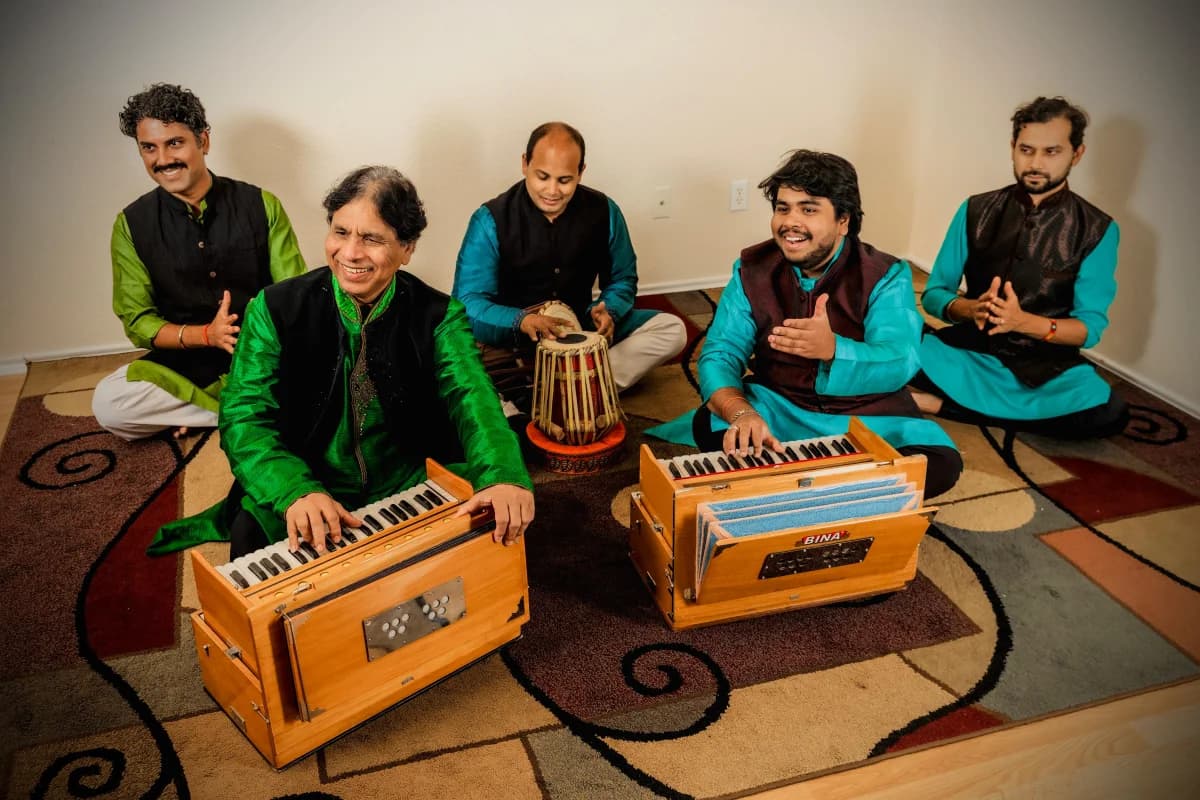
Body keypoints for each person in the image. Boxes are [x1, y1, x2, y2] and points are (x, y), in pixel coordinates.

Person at [149, 166, 534, 558]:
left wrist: (502, 475)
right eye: (340, 231)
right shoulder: (276, 308)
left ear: (407, 248)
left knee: (495, 519)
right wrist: (296, 491)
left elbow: (474, 399)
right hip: (307, 477)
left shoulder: (438, 314)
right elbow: (244, 416)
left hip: (408, 479)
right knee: (252, 543)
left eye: (371, 238)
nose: (350, 252)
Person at [648, 150, 961, 499]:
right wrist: (742, 413)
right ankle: (839, 489)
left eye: (808, 209)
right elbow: (720, 354)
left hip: (867, 413)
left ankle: (792, 485)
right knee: (714, 426)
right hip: (780, 404)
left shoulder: (886, 275)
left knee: (939, 464)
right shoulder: (752, 269)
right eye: (783, 208)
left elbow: (902, 359)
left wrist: (833, 350)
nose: (790, 222)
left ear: (843, 220)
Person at [92, 83, 306, 441]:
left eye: (175, 143)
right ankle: (251, 415)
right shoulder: (131, 225)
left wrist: (260, 342)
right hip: (188, 357)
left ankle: (219, 412)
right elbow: (138, 320)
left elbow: (293, 295)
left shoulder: (261, 204)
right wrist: (205, 335)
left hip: (264, 353)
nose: (162, 160)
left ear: (203, 142)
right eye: (149, 147)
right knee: (111, 403)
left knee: (339, 367)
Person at [910, 96, 1127, 439]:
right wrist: (970, 308)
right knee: (891, 333)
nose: (1036, 163)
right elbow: (935, 294)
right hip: (968, 351)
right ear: (1013, 147)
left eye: (1051, 152)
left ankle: (937, 405)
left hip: (1044, 366)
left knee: (1108, 412)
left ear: (1077, 154)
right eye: (1026, 150)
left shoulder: (1098, 229)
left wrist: (1023, 322)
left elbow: (1089, 329)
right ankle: (965, 401)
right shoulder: (975, 209)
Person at [452, 121, 687, 414]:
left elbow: (623, 278)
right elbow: (469, 303)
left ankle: (573, 392)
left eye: (565, 180)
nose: (552, 190)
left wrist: (609, 308)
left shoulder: (605, 210)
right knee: (452, 365)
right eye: (542, 177)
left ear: (581, 172)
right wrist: (521, 321)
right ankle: (574, 393)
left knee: (671, 330)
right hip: (513, 342)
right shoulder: (490, 219)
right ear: (525, 164)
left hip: (578, 330)